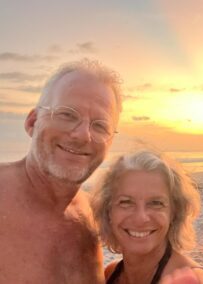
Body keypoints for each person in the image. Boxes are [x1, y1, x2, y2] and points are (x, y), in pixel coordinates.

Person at [0, 59, 122, 283]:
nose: (83, 135)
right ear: (32, 121)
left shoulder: (92, 217)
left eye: (100, 125)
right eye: (67, 114)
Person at [91, 150, 203, 283]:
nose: (141, 218)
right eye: (126, 202)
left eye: (156, 203)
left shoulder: (194, 280)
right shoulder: (111, 273)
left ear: (174, 213)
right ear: (108, 210)